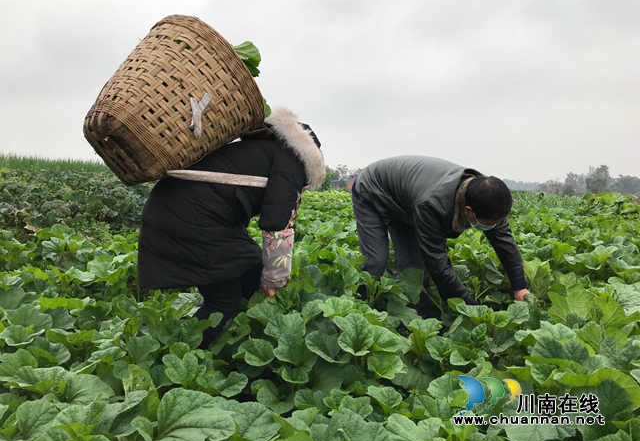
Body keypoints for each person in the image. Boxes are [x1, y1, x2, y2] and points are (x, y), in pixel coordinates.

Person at [137, 107, 325, 349]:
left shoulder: (260, 147)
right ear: (313, 155)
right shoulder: (294, 160)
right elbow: (278, 221)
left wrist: (264, 272)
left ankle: (237, 331)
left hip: (174, 206)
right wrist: (275, 279)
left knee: (252, 263)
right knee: (222, 300)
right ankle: (186, 353)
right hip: (194, 217)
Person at [351, 156, 530, 316]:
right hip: (372, 191)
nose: (496, 226)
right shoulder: (432, 205)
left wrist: (519, 285)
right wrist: (471, 308)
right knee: (376, 261)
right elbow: (438, 265)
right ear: (469, 211)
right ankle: (359, 310)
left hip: (406, 198)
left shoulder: (488, 198)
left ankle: (416, 319)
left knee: (414, 270)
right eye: (492, 224)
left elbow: (505, 242)